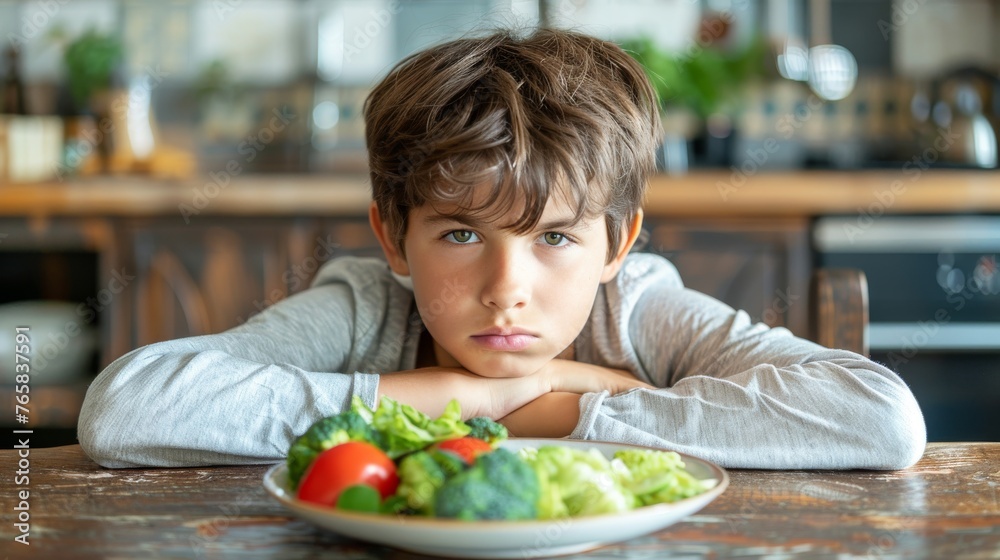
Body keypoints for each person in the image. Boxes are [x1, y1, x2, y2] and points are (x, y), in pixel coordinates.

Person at [78, 28, 925, 470]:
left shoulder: (641, 308)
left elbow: (880, 417)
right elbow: (127, 408)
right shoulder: (364, 305)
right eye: (459, 234)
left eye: (555, 236)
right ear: (392, 236)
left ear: (616, 243)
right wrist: (449, 396)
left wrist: (566, 399)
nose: (505, 289)